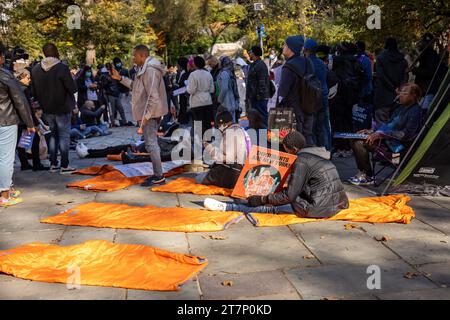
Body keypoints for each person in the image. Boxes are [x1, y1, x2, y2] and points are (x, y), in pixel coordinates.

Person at [204, 131, 349, 218]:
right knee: (273, 199)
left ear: (293, 149)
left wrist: (262, 199)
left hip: (317, 207)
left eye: (286, 150)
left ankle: (226, 207)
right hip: (337, 203)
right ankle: (238, 203)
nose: (286, 153)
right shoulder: (318, 154)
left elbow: (289, 196)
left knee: (270, 207)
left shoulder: (301, 161)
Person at [111, 44, 168, 186]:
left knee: (151, 144)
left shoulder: (150, 71)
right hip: (147, 113)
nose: (133, 58)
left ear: (142, 56)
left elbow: (153, 97)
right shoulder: (143, 70)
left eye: (134, 55)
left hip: (149, 113)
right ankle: (157, 174)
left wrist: (146, 117)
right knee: (150, 144)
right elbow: (134, 87)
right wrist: (120, 78)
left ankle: (159, 176)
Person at [349, 83, 423, 186]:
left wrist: (382, 134)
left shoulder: (415, 112)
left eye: (404, 93)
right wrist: (372, 131)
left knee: (359, 143)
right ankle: (364, 172)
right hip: (389, 141)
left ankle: (367, 175)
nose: (400, 95)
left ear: (413, 96)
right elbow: (389, 125)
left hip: (398, 150)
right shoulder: (400, 108)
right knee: (355, 138)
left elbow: (406, 135)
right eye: (400, 93)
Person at [31, 43, 77, 174]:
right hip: (62, 107)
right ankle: (64, 165)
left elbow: (33, 91)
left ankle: (53, 164)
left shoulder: (35, 69)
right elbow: (73, 88)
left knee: (52, 136)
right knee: (64, 136)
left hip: (46, 108)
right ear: (56, 51)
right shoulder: (62, 68)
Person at [1, 47, 35, 206]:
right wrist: (29, 122)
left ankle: (7, 188)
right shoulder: (4, 75)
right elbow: (19, 100)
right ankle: (5, 194)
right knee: (6, 158)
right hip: (6, 120)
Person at [277, 35, 316, 146]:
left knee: (293, 142)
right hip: (309, 106)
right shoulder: (308, 62)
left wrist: (277, 108)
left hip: (293, 111)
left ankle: (298, 163)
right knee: (307, 137)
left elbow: (282, 92)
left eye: (285, 44)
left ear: (291, 49)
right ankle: (312, 161)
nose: (283, 47)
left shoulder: (289, 66)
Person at [196, 111, 250, 189]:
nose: (218, 128)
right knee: (203, 174)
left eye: (219, 125)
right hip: (241, 171)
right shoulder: (240, 130)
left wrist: (209, 148)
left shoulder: (230, 133)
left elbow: (227, 158)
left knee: (198, 179)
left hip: (232, 173)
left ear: (224, 124)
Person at [330, 42, 365, 158]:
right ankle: (349, 146)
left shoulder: (337, 60)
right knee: (348, 122)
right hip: (351, 97)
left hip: (338, 96)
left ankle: (340, 146)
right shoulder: (356, 62)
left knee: (338, 122)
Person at [304, 38, 331, 150]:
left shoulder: (306, 63)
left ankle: (317, 150)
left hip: (313, 99)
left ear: (306, 49)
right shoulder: (321, 63)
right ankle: (327, 148)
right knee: (323, 125)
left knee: (312, 126)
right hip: (323, 97)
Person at [412, 33, 448, 110]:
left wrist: (414, 70)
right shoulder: (426, 55)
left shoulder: (430, 55)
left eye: (421, 42)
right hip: (425, 91)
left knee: (424, 115)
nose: (419, 44)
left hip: (428, 91)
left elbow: (429, 72)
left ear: (426, 43)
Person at [373, 38, 408, 113]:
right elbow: (405, 76)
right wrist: (400, 89)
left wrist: (393, 88)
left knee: (381, 121)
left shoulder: (380, 58)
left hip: (382, 97)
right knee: (395, 121)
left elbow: (381, 75)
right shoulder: (403, 60)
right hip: (398, 97)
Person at [186, 56, 215, 136]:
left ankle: (199, 144)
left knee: (198, 125)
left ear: (195, 64)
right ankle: (208, 142)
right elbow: (212, 89)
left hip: (197, 103)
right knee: (208, 124)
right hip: (208, 102)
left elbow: (191, 90)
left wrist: (187, 88)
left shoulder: (193, 75)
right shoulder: (208, 74)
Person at [246, 46, 271, 128]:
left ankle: (268, 139)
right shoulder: (255, 64)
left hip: (259, 99)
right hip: (255, 98)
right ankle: (261, 138)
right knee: (257, 120)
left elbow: (262, 83)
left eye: (250, 52)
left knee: (263, 120)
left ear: (254, 53)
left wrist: (258, 96)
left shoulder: (260, 65)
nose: (249, 54)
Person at [217, 56, 240, 122]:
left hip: (227, 102)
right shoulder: (230, 72)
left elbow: (224, 88)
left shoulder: (224, 73)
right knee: (232, 123)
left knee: (228, 124)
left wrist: (220, 99)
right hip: (231, 101)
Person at [176, 57, 190, 125]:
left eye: (177, 64)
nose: (176, 65)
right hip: (182, 94)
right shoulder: (182, 73)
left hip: (185, 95)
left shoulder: (186, 73)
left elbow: (186, 85)